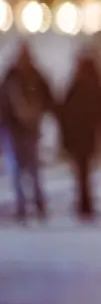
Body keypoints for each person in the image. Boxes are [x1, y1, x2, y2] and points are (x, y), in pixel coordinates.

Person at [1, 41, 55, 223]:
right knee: (23, 168)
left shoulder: (28, 75)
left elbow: (48, 98)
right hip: (17, 128)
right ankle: (27, 203)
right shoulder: (17, 75)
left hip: (25, 128)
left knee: (29, 167)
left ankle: (33, 202)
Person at [58, 50, 101, 221]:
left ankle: (84, 203)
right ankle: (85, 202)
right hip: (85, 134)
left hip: (80, 134)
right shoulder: (93, 86)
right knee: (83, 170)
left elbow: (65, 110)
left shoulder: (78, 85)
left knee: (82, 171)